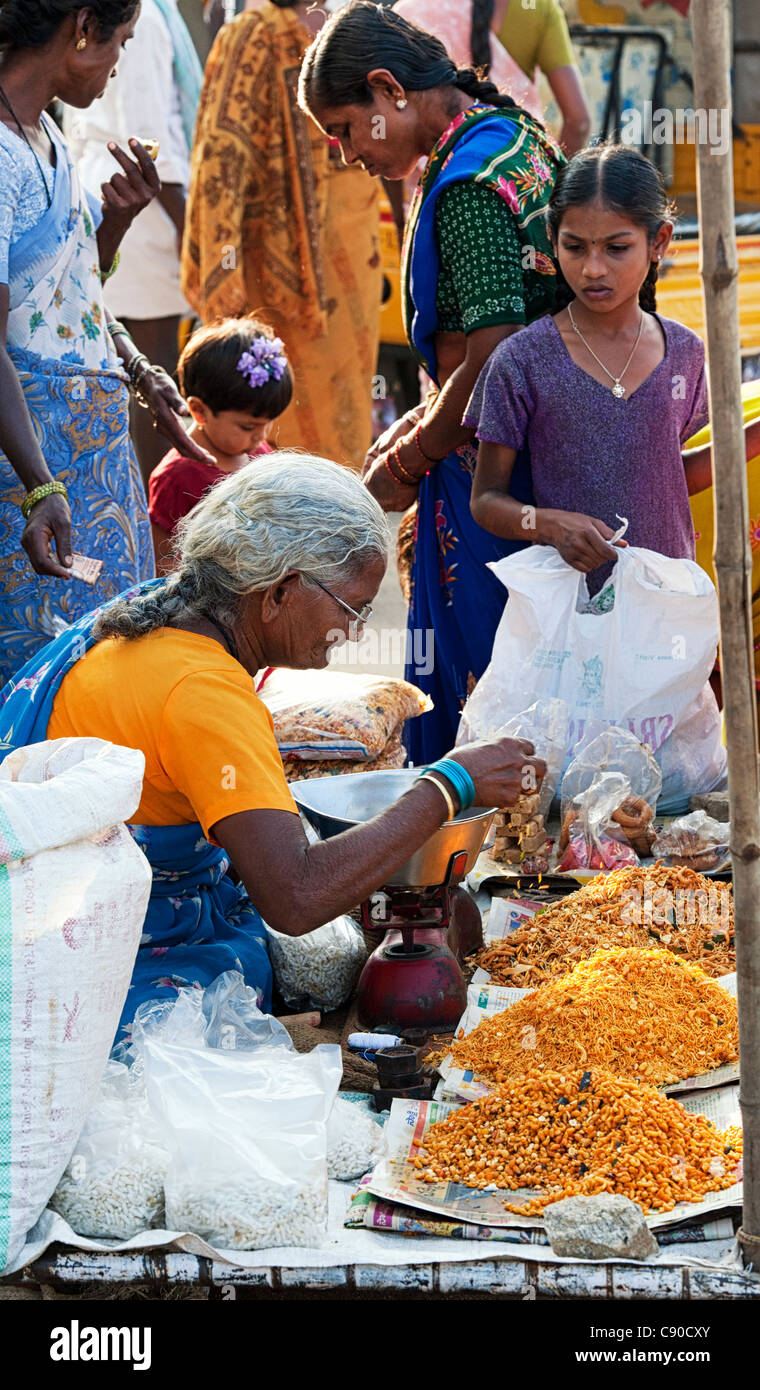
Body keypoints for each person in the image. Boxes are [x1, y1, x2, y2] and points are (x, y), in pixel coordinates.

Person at [0, 455, 546, 1043]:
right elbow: (295, 897)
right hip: (80, 955)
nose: (359, 631)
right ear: (281, 591)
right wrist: (449, 785)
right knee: (260, 984)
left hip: (45, 906)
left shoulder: (148, 610)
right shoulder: (205, 693)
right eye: (353, 607)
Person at [299, 1, 564, 762]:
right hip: (522, 451)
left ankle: (476, 837)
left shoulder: (471, 181)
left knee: (484, 671)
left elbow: (491, 356)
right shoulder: (500, 139)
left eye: (346, 129)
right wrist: (412, 430)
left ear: (389, 91)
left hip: (499, 472)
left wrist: (415, 457)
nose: (347, 153)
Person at [0, 0, 215, 686]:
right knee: (39, 673)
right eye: (117, 41)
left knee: (99, 662)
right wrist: (39, 488)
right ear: (82, 29)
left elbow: (66, 296)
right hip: (35, 472)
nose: (119, 61)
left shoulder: (48, 138)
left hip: (85, 465)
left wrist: (117, 224)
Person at [466, 144, 760, 593]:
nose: (593, 269)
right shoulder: (523, 360)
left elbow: (667, 476)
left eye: (617, 247)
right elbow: (487, 501)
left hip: (663, 604)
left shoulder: (685, 352)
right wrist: (547, 524)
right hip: (569, 608)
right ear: (552, 238)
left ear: (659, 241)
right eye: (575, 248)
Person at [181, 0, 381, 470]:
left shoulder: (353, 27)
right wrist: (222, 285)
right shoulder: (253, 35)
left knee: (344, 418)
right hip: (275, 270)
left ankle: (334, 526)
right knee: (271, 419)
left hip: (354, 256)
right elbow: (221, 163)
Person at [63, 0, 203, 484]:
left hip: (127, 194)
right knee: (152, 368)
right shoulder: (144, 18)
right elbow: (149, 143)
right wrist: (194, 234)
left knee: (140, 366)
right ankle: (154, 504)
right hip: (147, 201)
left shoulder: (145, 13)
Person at [148, 317, 293, 572]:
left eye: (268, 423)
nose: (261, 436)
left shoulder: (258, 453)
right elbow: (162, 562)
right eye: (248, 427)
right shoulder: (176, 478)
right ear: (199, 410)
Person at [393, 0, 542, 121]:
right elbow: (566, 111)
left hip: (436, 148)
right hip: (525, 141)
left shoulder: (404, 14)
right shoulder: (536, 6)